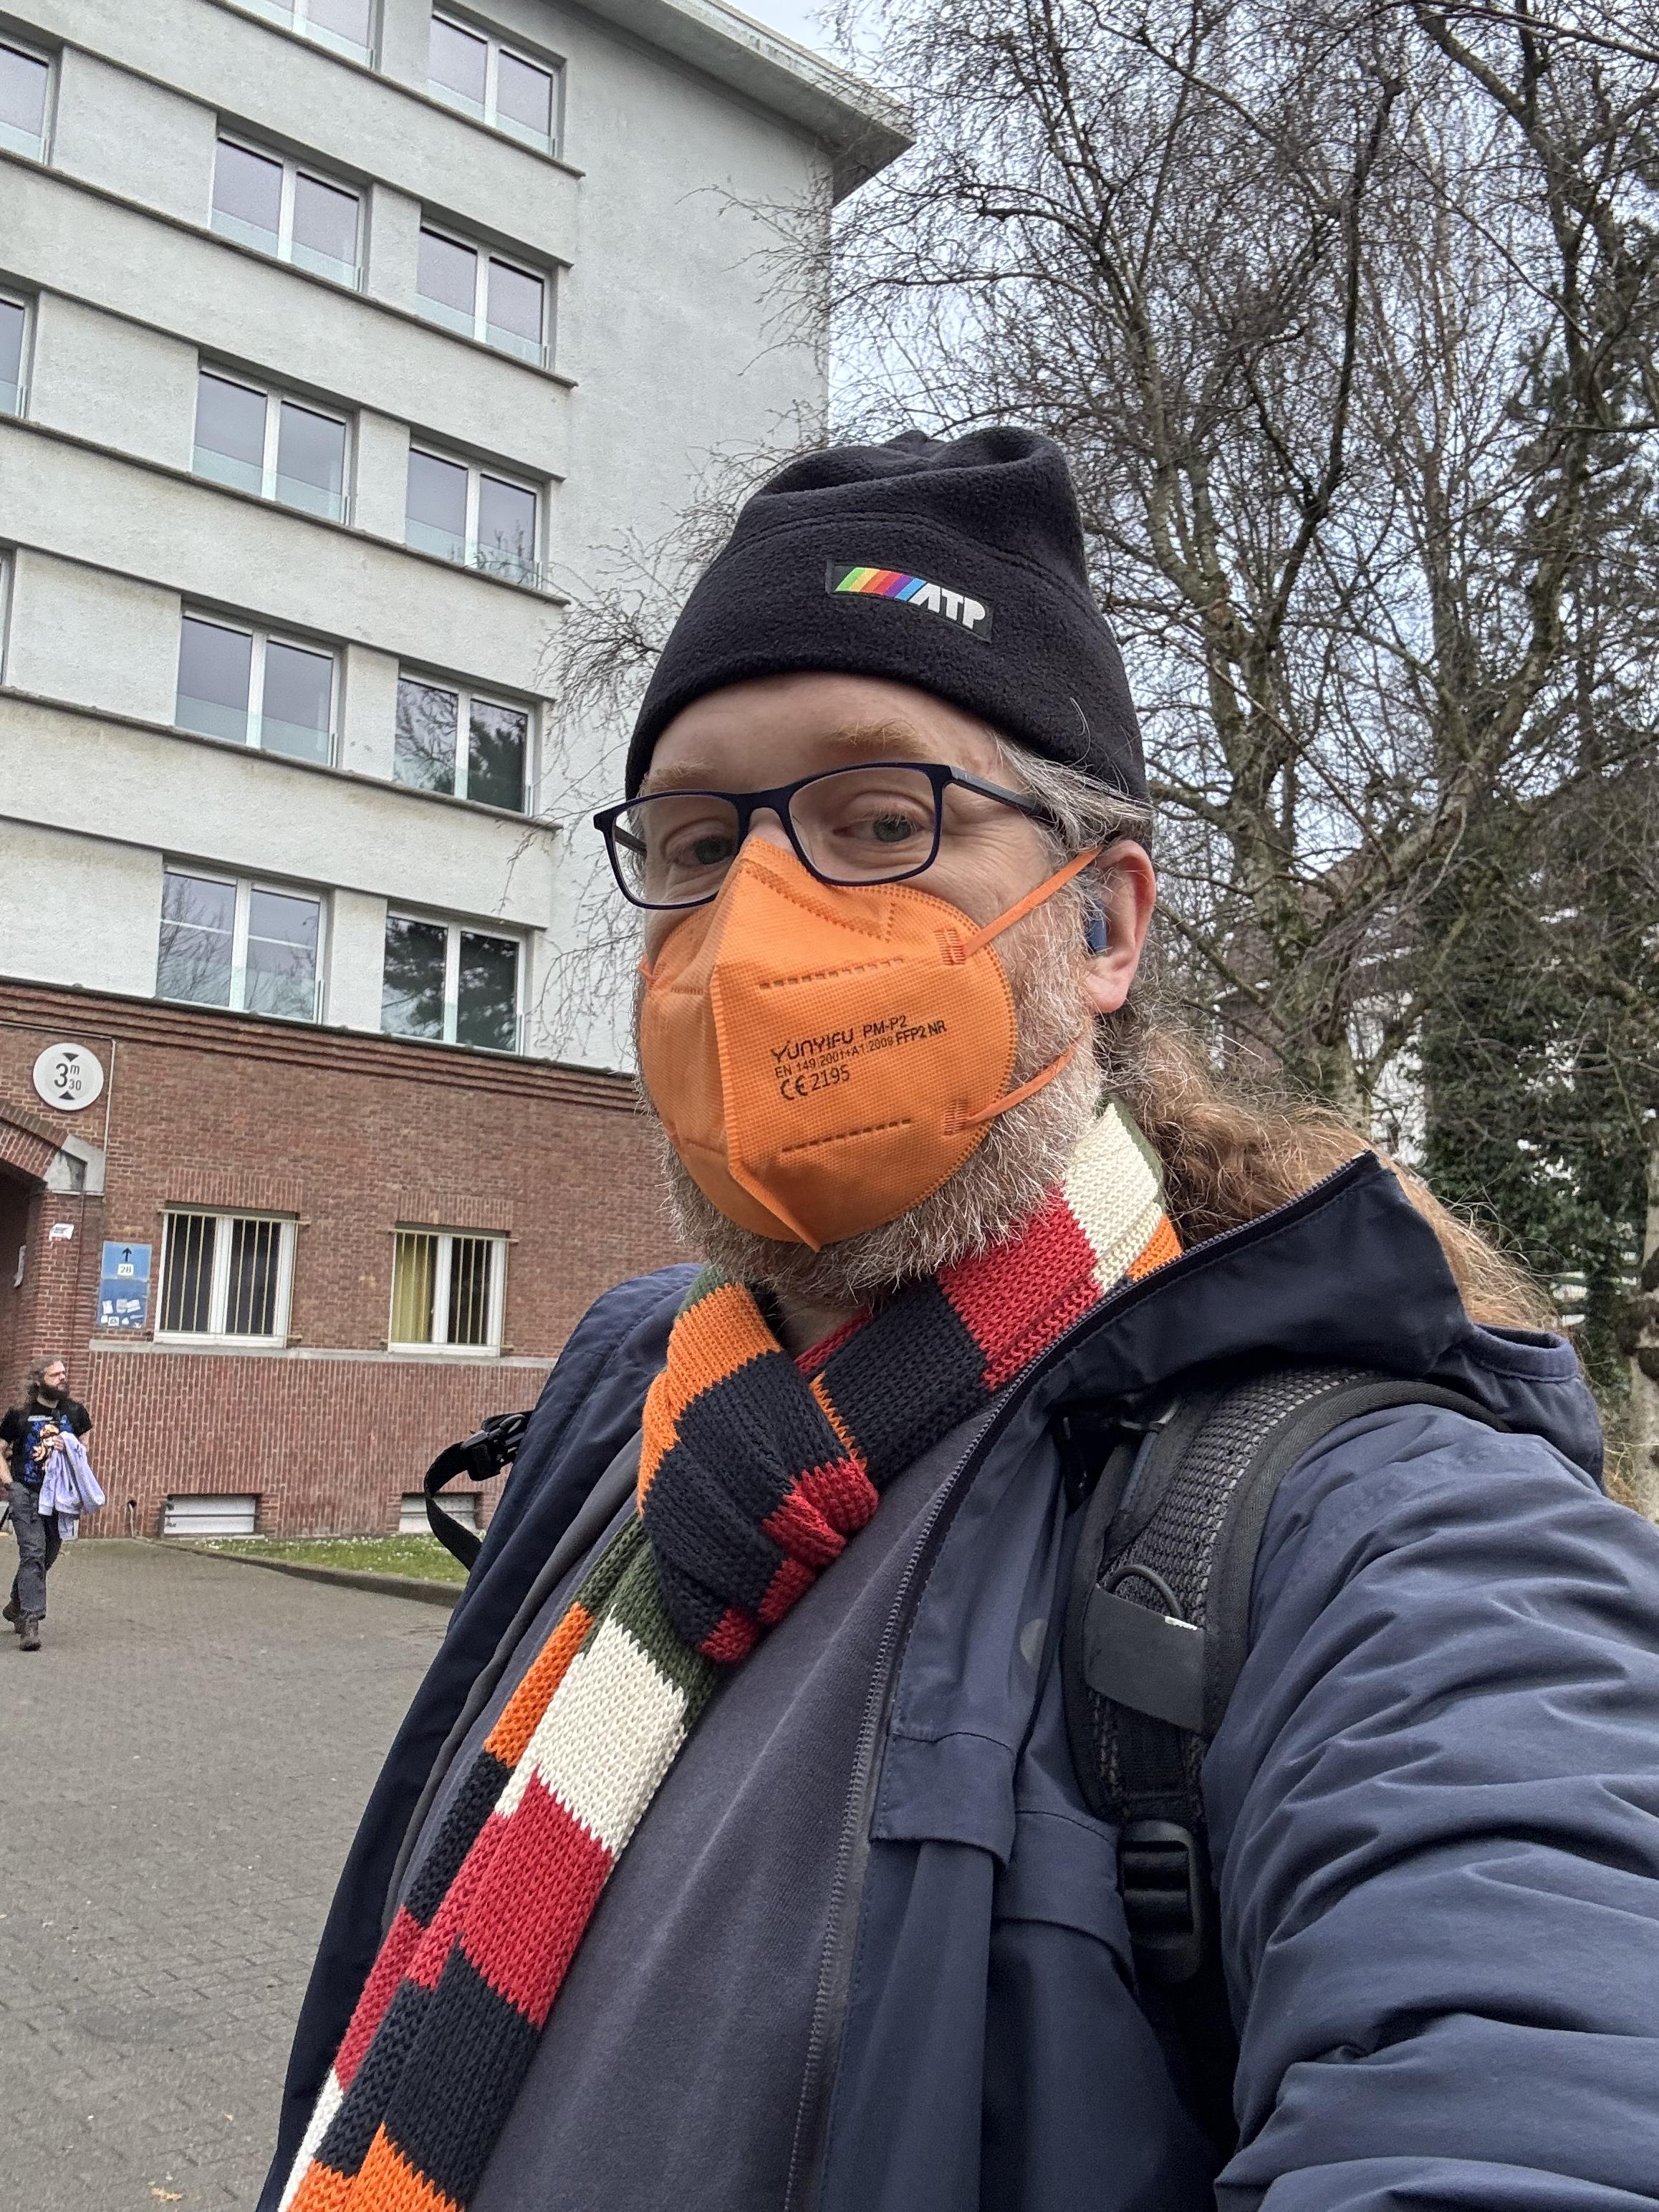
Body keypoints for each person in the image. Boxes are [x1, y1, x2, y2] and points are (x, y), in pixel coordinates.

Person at [264, 431, 1659, 2212]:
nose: (752, 928)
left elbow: (1527, 2068)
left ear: (1101, 924)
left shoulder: (1375, 1532)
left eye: (878, 821)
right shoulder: (645, 1407)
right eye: (696, 840)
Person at [1, 1355, 92, 1653]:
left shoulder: (76, 1413)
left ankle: (17, 1603)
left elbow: (83, 1453)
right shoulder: (19, 1415)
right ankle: (31, 1621)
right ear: (39, 1380)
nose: (63, 1378)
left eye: (64, 1373)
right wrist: (10, 1484)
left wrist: (72, 1450)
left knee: (48, 1554)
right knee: (33, 1553)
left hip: (59, 1498)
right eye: (55, 1375)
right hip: (26, 1494)